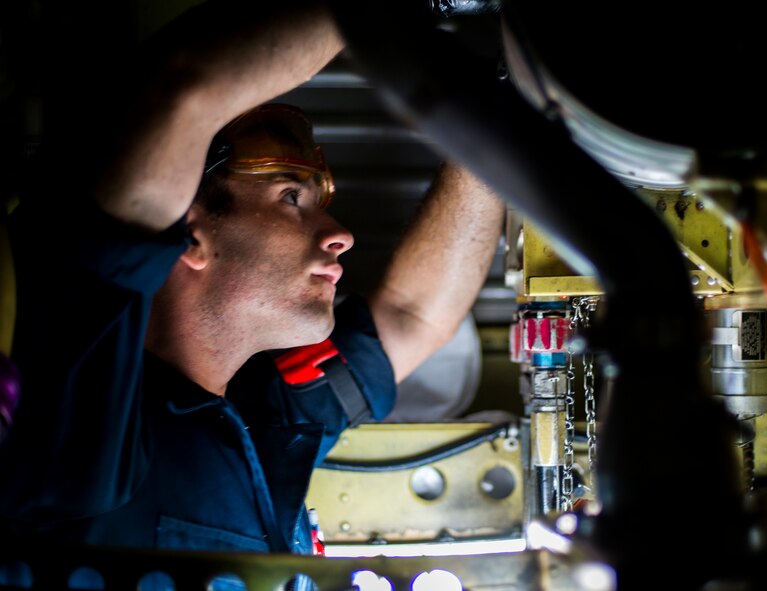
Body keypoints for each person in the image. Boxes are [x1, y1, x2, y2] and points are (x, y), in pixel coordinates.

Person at [0, 0, 504, 586]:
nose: (340, 235)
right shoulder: (83, 399)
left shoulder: (260, 417)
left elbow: (416, 314)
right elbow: (186, 90)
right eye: (293, 199)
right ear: (190, 230)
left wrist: (494, 101)